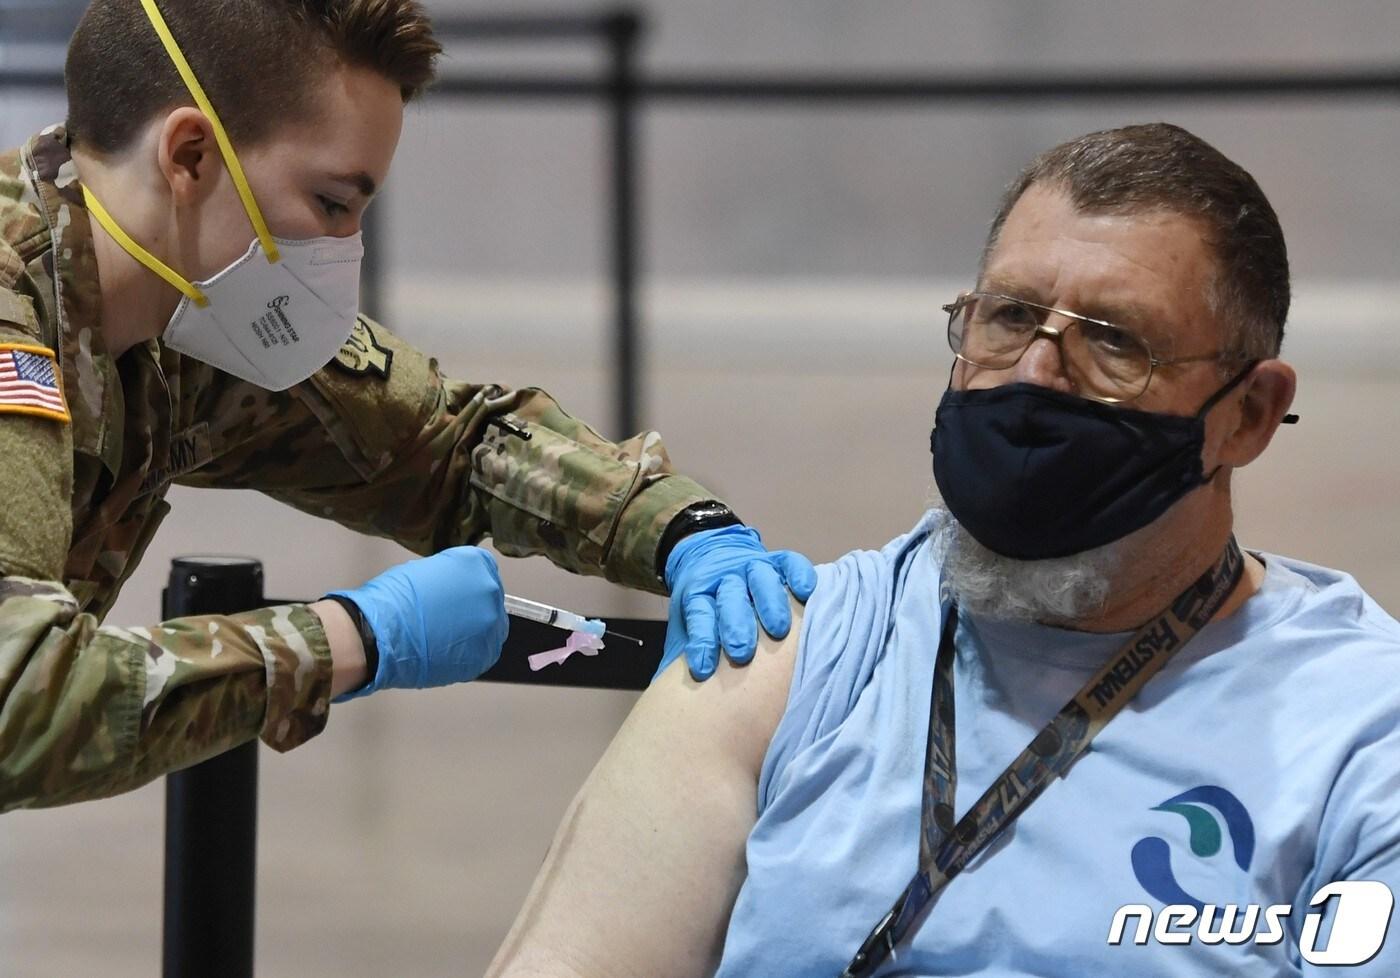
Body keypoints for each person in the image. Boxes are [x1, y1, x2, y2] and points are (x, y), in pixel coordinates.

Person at [485, 123, 1400, 977]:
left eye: (1115, 342)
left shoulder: (1359, 732)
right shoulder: (794, 655)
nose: (1038, 374)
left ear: (1248, 414)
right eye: (1009, 317)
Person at [0, 0, 816, 813]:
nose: (342, 251)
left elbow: (442, 447)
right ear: (189, 156)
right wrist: (355, 638)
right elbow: (19, 705)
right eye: (329, 204)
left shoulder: (173, 326)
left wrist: (686, 532)